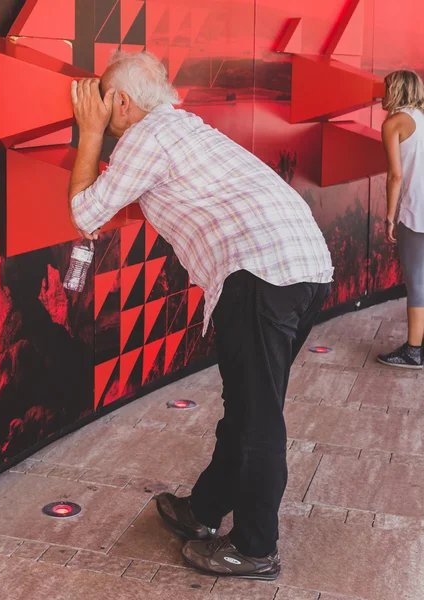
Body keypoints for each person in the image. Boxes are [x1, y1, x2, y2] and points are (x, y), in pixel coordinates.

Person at [68, 51, 333, 581]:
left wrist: (89, 132)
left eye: (101, 98)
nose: (96, 106)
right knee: (248, 407)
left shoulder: (145, 137)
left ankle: (256, 549)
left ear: (120, 100)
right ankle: (204, 510)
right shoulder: (182, 125)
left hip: (260, 275)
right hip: (303, 268)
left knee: (257, 419)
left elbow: (85, 213)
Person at [377, 70, 424, 370]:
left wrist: (389, 218)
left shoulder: (394, 123)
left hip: (415, 212)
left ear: (395, 90)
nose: (382, 93)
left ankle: (414, 350)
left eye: (385, 88)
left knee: (417, 281)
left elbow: (395, 176)